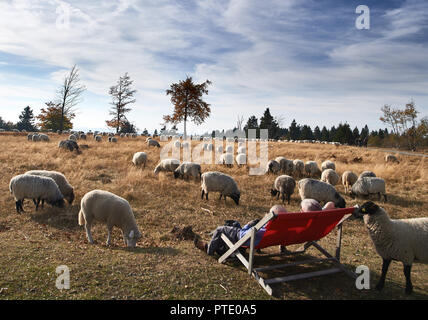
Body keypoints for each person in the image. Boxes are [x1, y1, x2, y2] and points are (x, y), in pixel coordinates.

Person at [194, 205, 288, 256]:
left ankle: (209, 250)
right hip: (257, 240)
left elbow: (244, 234)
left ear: (270, 216)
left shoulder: (264, 229)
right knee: (238, 224)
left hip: (244, 238)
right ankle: (223, 248)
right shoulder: (282, 229)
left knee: (220, 229)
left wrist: (247, 225)